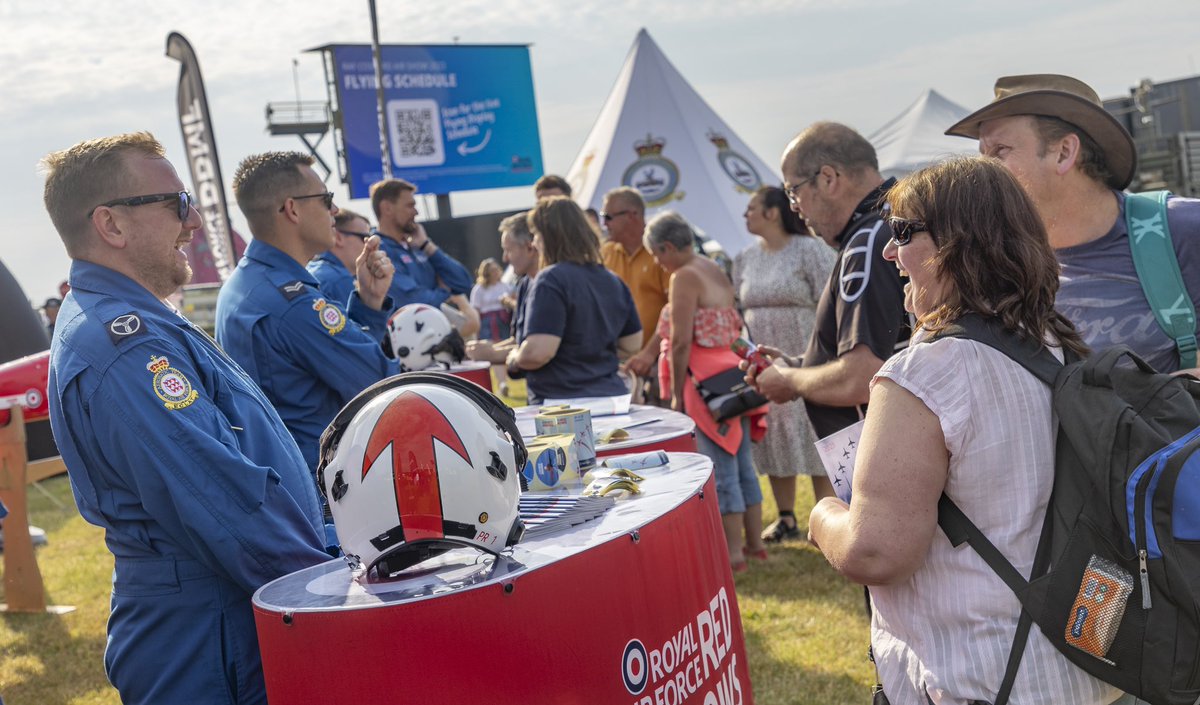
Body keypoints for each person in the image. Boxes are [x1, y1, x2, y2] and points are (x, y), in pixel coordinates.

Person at [808, 156, 1118, 705]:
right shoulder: (1058, 344)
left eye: (901, 232)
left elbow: (876, 553)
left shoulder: (923, 372)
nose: (888, 252)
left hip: (977, 678)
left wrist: (823, 517)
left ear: (959, 242)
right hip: (1080, 670)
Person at [41, 132, 329, 704]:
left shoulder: (138, 323)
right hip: (209, 637)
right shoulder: (124, 347)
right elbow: (226, 504)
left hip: (224, 616)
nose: (193, 220)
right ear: (112, 225)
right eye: (176, 203)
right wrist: (332, 591)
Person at [946, 73, 1200, 374]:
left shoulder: (1181, 228)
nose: (983, 172)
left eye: (1000, 151)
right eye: (983, 156)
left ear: (1064, 153)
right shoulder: (993, 264)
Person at [745, 123, 909, 498]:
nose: (792, 206)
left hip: (884, 463)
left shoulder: (867, 243)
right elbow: (897, 349)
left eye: (793, 190)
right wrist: (804, 363)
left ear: (829, 178)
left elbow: (862, 376)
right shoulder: (896, 220)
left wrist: (789, 380)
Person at [216, 151, 398, 476]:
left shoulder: (243, 284)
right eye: (326, 199)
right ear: (292, 209)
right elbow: (380, 381)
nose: (335, 210)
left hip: (291, 480)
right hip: (325, 488)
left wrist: (369, 303)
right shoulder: (289, 300)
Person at [646, 211, 766, 571]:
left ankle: (732, 554)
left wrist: (677, 394)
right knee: (743, 463)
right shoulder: (713, 266)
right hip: (732, 379)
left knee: (722, 467)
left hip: (702, 386)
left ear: (668, 246)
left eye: (657, 255)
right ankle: (755, 544)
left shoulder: (683, 276)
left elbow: (681, 340)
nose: (658, 263)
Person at [733, 186, 836, 543]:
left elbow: (833, 299)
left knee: (813, 433)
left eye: (751, 208)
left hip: (807, 352)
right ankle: (787, 517)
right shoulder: (744, 257)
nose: (745, 215)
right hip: (766, 359)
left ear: (772, 212)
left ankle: (830, 517)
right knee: (775, 433)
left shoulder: (810, 250)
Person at [507, 197, 642, 403]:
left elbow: (537, 353)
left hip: (563, 406)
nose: (534, 243)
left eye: (536, 235)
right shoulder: (612, 279)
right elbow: (632, 343)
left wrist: (515, 358)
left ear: (548, 237)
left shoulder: (550, 279)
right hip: (612, 399)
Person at [603, 187, 672, 402]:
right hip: (619, 368)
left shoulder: (661, 252)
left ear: (632, 215)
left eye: (608, 217)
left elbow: (676, 308)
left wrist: (649, 354)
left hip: (659, 365)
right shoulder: (605, 253)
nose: (604, 223)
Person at [369, 177, 472, 310]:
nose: (416, 212)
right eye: (410, 205)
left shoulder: (417, 246)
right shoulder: (379, 251)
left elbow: (463, 283)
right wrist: (445, 292)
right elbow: (414, 302)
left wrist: (427, 246)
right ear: (387, 208)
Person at [466, 212, 540, 396]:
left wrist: (491, 354)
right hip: (540, 396)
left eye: (509, 250)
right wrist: (489, 349)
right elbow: (520, 341)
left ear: (529, 246)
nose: (505, 258)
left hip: (561, 399)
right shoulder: (525, 284)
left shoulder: (547, 284)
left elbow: (538, 350)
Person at [306, 208, 372, 310]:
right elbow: (363, 324)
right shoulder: (339, 280)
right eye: (365, 238)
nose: (370, 245)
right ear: (338, 238)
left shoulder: (313, 269)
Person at [470, 258, 512, 342]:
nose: (496, 272)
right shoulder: (479, 289)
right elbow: (476, 311)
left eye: (497, 269)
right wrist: (476, 330)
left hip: (503, 320)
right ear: (486, 273)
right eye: (492, 270)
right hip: (487, 322)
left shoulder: (505, 286)